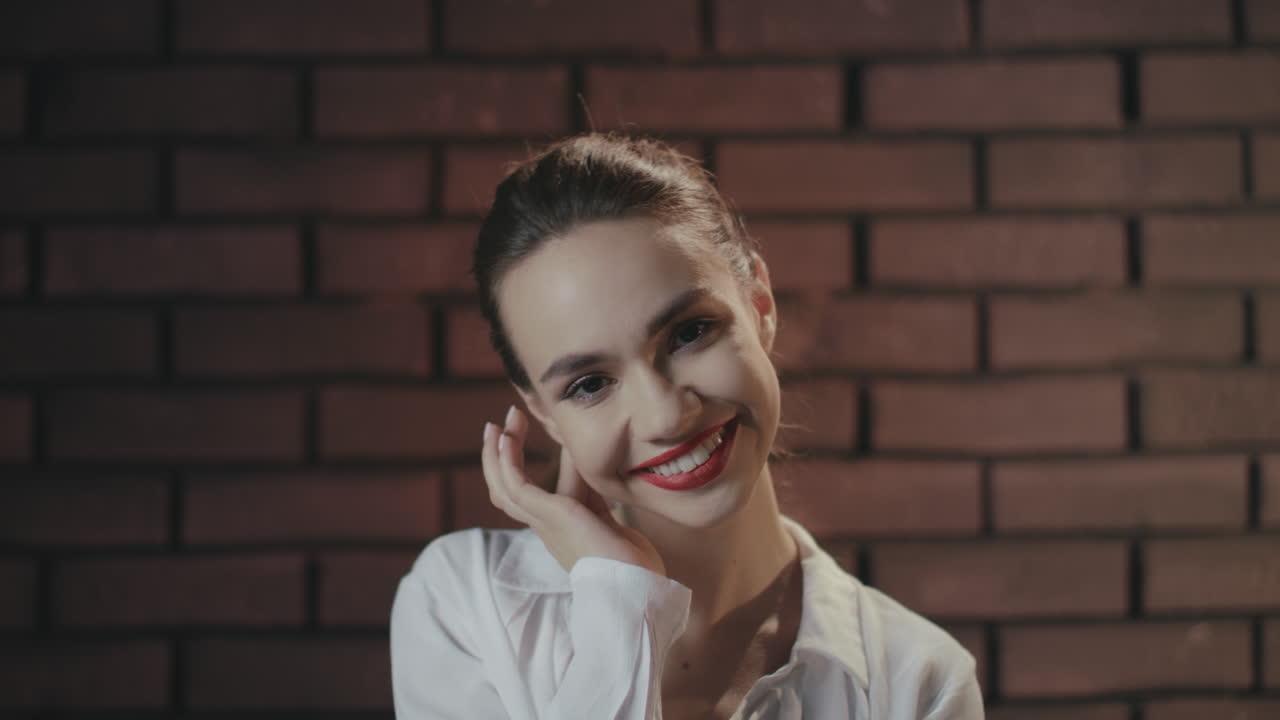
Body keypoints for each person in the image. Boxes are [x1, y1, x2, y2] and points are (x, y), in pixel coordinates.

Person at [390, 132, 983, 719]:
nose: (667, 415)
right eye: (589, 384)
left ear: (760, 306)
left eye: (689, 333)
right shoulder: (467, 607)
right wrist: (621, 605)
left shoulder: (916, 683)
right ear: (543, 411)